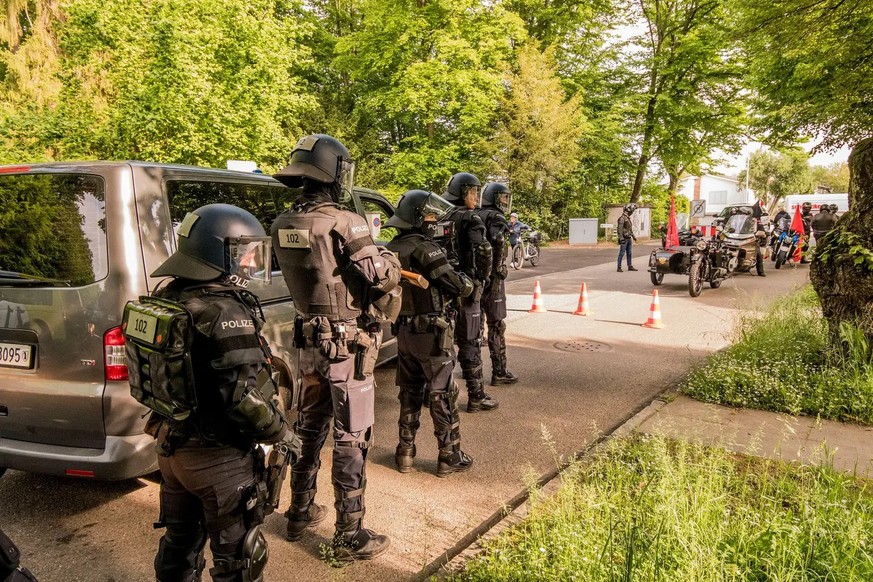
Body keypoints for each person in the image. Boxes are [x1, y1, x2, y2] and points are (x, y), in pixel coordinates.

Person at [129, 203, 297, 582]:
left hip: (172, 449)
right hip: (217, 459)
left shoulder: (171, 296)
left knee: (180, 544)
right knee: (239, 560)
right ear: (218, 252)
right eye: (244, 252)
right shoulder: (223, 311)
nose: (251, 261)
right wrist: (281, 433)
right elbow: (241, 398)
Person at [270, 134, 401, 562]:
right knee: (352, 435)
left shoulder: (283, 223)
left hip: (307, 340)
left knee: (309, 426)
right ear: (336, 172)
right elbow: (380, 276)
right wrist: (392, 260)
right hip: (347, 345)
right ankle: (349, 532)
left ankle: (299, 512)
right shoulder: (345, 222)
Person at [385, 190, 475, 477]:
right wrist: (467, 282)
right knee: (442, 393)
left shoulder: (390, 248)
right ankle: (449, 455)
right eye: (429, 215)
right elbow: (456, 285)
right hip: (431, 334)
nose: (433, 220)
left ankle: (405, 453)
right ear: (417, 218)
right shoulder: (426, 248)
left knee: (409, 391)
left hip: (404, 333)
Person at [440, 172, 498, 413]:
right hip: (467, 288)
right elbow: (484, 250)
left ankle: (435, 392)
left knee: (442, 343)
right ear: (463, 193)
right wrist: (483, 279)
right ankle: (476, 395)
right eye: (473, 191)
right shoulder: (471, 219)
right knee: (470, 341)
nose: (476, 196)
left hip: (445, 287)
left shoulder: (443, 215)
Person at [477, 182, 519, 386]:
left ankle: (474, 375)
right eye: (502, 197)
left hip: (476, 277)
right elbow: (497, 240)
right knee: (496, 324)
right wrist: (499, 268)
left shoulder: (475, 214)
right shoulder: (496, 217)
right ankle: (499, 371)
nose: (504, 201)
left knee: (475, 326)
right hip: (492, 279)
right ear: (494, 198)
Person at [616, 203, 638, 272]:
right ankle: (619, 267)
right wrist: (621, 238)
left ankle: (630, 266)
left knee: (629, 253)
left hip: (629, 238)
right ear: (628, 210)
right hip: (624, 239)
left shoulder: (627, 218)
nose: (632, 212)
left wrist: (633, 236)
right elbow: (619, 229)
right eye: (632, 211)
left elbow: (629, 229)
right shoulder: (622, 219)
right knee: (621, 253)